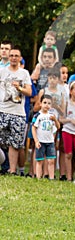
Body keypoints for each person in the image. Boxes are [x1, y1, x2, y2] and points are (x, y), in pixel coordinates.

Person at [0, 46, 32, 174]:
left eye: (16, 56)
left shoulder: (24, 73)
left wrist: (19, 88)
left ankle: (12, 170)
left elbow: (29, 92)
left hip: (18, 113)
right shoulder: (2, 71)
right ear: (9, 57)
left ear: (20, 58)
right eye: (11, 55)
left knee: (15, 143)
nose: (13, 58)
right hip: (2, 110)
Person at [32, 94, 60, 179]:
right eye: (44, 102)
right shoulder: (37, 116)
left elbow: (58, 127)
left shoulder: (51, 116)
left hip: (50, 141)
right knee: (39, 160)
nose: (46, 105)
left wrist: (55, 120)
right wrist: (36, 141)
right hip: (40, 141)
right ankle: (38, 177)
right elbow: (33, 128)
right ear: (40, 104)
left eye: (49, 103)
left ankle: (51, 177)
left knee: (51, 160)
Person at [0, 40, 13, 175]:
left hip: (9, 106)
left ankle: (6, 167)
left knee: (6, 139)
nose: (4, 50)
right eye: (2, 48)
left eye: (6, 49)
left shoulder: (15, 67)